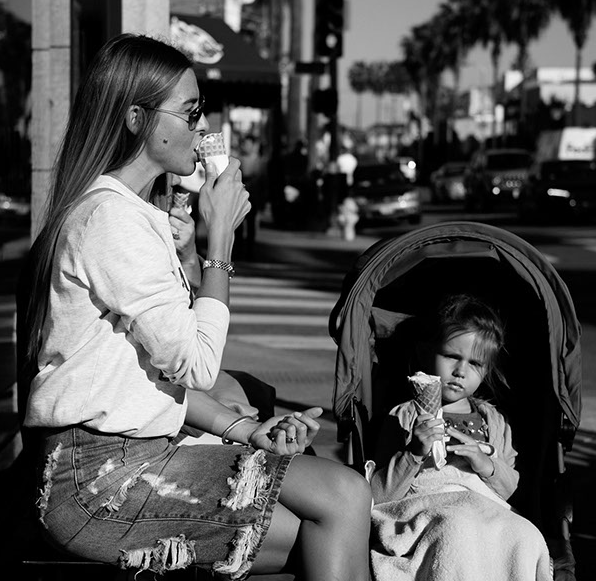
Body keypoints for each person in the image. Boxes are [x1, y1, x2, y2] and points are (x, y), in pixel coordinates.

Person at [21, 33, 371, 581]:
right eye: (189, 113)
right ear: (136, 119)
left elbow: (152, 379)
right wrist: (220, 240)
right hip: (96, 481)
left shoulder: (131, 213)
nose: (203, 127)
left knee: (341, 497)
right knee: (339, 504)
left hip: (134, 454)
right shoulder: (110, 220)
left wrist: (245, 430)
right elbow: (199, 364)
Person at [368, 293, 553, 581]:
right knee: (457, 528)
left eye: (475, 363)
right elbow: (380, 495)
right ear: (426, 352)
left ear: (486, 370)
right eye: (452, 356)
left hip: (485, 506)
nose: (460, 371)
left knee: (525, 534)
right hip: (433, 505)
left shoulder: (493, 421)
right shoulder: (404, 416)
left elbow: (511, 489)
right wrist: (413, 453)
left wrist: (487, 465)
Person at [234, 133, 265, 259]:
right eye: (244, 143)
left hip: (253, 195)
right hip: (240, 195)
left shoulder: (258, 160)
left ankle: (249, 250)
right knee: (239, 223)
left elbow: (262, 180)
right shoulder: (238, 159)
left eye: (248, 143)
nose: (246, 146)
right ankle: (239, 249)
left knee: (251, 224)